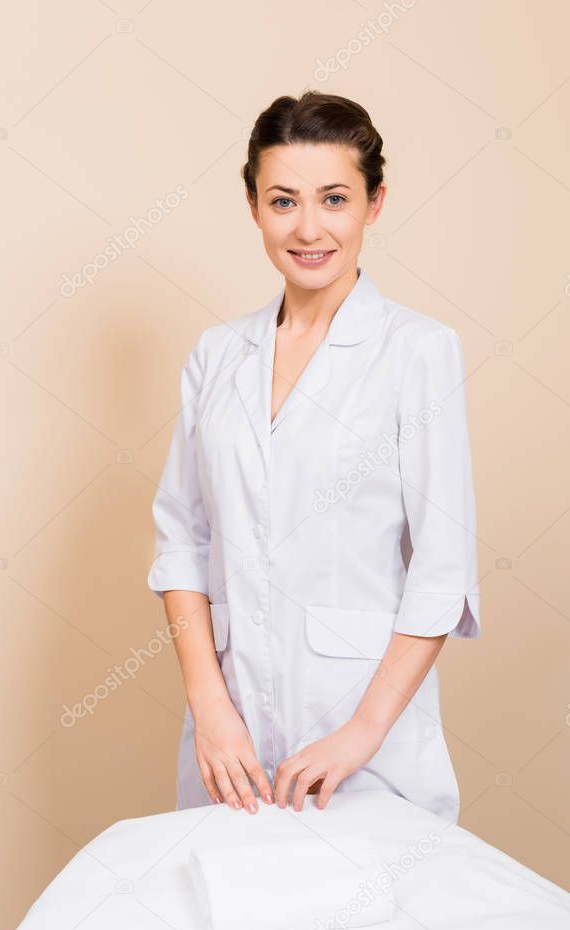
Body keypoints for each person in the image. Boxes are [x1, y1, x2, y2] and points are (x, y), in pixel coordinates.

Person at [147, 90, 481, 822]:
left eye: (333, 198)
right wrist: (209, 707)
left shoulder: (416, 351)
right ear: (252, 205)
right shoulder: (216, 355)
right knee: (229, 925)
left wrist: (358, 735)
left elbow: (440, 568)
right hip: (229, 739)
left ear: (374, 202)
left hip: (365, 739)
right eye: (281, 201)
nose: (307, 228)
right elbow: (181, 542)